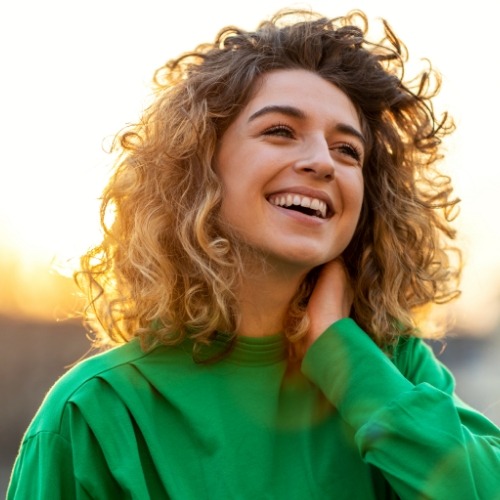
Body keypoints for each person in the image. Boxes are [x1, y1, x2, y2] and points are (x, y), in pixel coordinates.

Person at [8, 8, 500, 499]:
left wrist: (344, 360)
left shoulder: (395, 371)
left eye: (347, 150)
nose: (321, 162)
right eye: (280, 132)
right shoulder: (96, 413)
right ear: (200, 167)